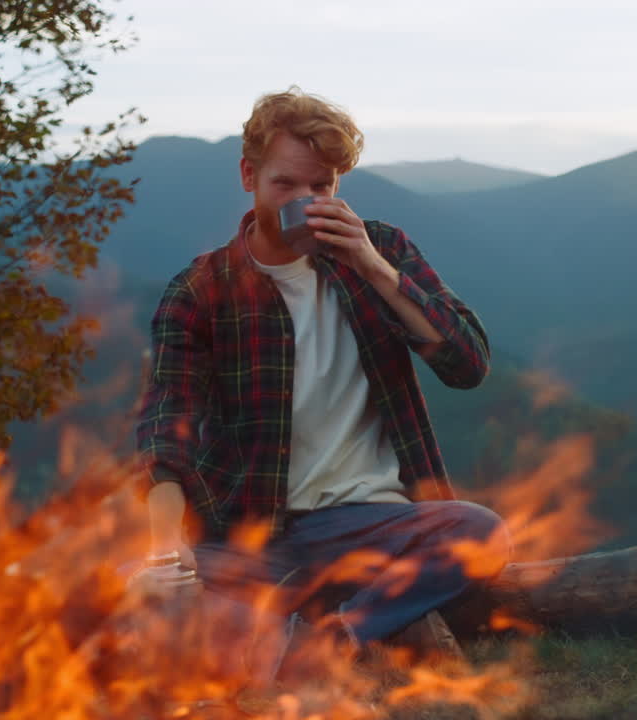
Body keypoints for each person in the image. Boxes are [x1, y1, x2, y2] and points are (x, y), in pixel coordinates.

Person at [134, 87, 509, 673]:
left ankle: (333, 640)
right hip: (252, 539)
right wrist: (164, 546)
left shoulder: (380, 249)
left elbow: (467, 365)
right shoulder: (200, 290)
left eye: (323, 187)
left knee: (479, 531)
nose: (306, 201)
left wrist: (373, 267)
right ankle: (272, 630)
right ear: (248, 175)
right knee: (116, 587)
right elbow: (166, 423)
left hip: (372, 526)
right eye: (287, 185)